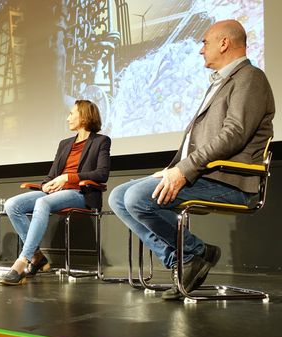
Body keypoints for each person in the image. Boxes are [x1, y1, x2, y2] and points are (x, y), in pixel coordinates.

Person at [108, 20, 275, 300]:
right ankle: (183, 260)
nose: (201, 50)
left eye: (205, 43)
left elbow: (234, 134)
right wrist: (173, 169)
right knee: (118, 196)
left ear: (224, 43)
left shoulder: (250, 78)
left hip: (229, 181)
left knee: (137, 197)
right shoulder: (223, 82)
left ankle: (195, 253)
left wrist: (184, 170)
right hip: (204, 174)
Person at [0, 100, 111, 285]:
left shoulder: (101, 141)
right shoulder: (65, 144)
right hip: (55, 193)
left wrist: (68, 178)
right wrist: (45, 186)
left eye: (71, 113)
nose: (67, 118)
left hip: (80, 193)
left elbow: (102, 173)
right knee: (12, 205)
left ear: (83, 116)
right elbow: (52, 175)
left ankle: (22, 262)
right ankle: (37, 256)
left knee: (42, 203)